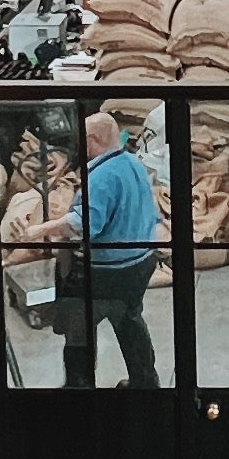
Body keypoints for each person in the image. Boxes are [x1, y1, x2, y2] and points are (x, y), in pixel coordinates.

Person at [62, 110, 161, 390]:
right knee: (129, 319)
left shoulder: (102, 175)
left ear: (93, 140)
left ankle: (79, 386)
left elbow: (85, 226)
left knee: (78, 325)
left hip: (110, 270)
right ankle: (145, 381)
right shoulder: (134, 164)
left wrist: (43, 230)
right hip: (141, 260)